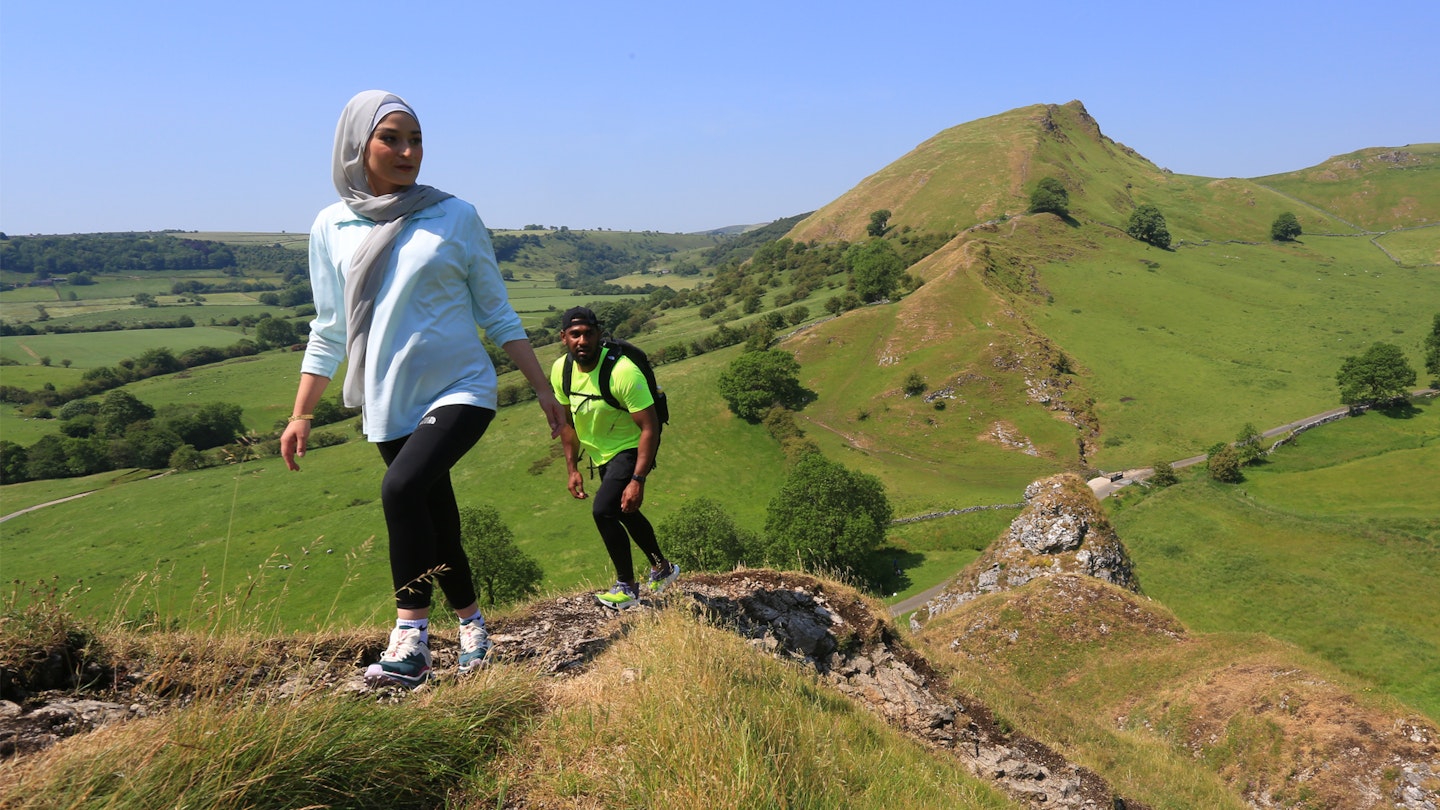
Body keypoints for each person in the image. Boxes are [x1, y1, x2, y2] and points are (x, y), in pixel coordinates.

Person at [280, 90, 565, 688]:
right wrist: (302, 412)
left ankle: (410, 642)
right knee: (437, 522)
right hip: (389, 401)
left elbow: (498, 312)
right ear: (357, 145)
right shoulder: (331, 226)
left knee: (401, 487)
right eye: (392, 138)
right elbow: (329, 328)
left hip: (462, 387)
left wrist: (544, 394)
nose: (408, 151)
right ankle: (474, 631)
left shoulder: (454, 215)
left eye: (415, 139)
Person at [550, 306, 679, 609]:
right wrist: (572, 468)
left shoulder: (622, 372)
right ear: (563, 337)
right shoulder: (561, 370)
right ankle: (662, 567)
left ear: (598, 334)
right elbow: (566, 423)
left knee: (603, 511)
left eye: (588, 333)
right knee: (624, 511)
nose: (582, 340)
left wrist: (638, 479)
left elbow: (651, 427)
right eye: (575, 334)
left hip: (631, 447)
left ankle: (627, 586)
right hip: (600, 452)